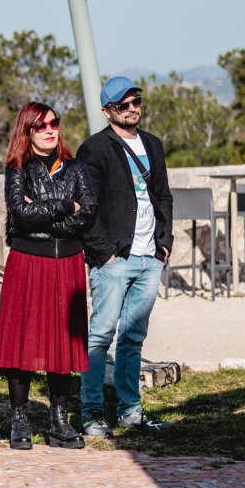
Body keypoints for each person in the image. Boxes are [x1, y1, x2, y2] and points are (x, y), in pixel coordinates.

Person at [76, 76, 174, 437]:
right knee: (101, 335)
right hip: (115, 259)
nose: (133, 108)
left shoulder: (153, 144)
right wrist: (104, 253)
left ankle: (130, 411)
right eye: (124, 104)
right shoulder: (95, 149)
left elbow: (163, 196)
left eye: (136, 102)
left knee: (133, 338)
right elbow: (88, 207)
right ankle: (91, 412)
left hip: (151, 258)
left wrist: (165, 242)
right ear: (107, 111)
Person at [0, 102, 97, 450]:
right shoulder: (16, 169)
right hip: (28, 261)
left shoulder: (76, 168)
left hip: (66, 263)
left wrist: (48, 214)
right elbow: (21, 214)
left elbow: (89, 215)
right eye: (41, 126)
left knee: (62, 346)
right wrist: (66, 206)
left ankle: (58, 422)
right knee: (22, 344)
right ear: (27, 131)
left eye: (54, 123)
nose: (50, 130)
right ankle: (20, 419)